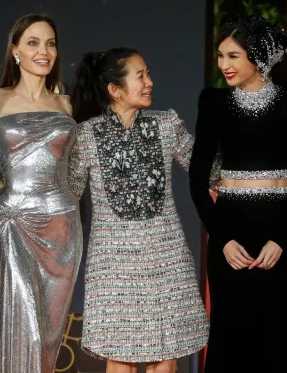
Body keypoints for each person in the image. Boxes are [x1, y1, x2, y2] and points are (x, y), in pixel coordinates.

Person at [189, 15, 287, 373]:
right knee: (229, 337)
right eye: (220, 56)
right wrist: (223, 239)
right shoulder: (213, 102)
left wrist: (284, 238)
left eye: (233, 56)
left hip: (281, 233)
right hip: (229, 231)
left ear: (258, 57)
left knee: (277, 338)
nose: (223, 65)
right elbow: (197, 182)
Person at [68, 48, 209, 373]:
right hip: (113, 268)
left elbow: (207, 170)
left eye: (148, 74)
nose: (149, 82)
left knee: (166, 361)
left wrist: (266, 173)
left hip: (166, 261)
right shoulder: (86, 135)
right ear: (115, 89)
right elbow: (67, 193)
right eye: (140, 76)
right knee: (121, 363)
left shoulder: (166, 125)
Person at [0, 14, 82, 373]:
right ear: (15, 50)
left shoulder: (68, 106)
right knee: (26, 326)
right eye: (33, 42)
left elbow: (74, 170)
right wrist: (7, 184)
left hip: (62, 225)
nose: (43, 51)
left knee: (50, 333)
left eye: (50, 43)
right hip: (15, 221)